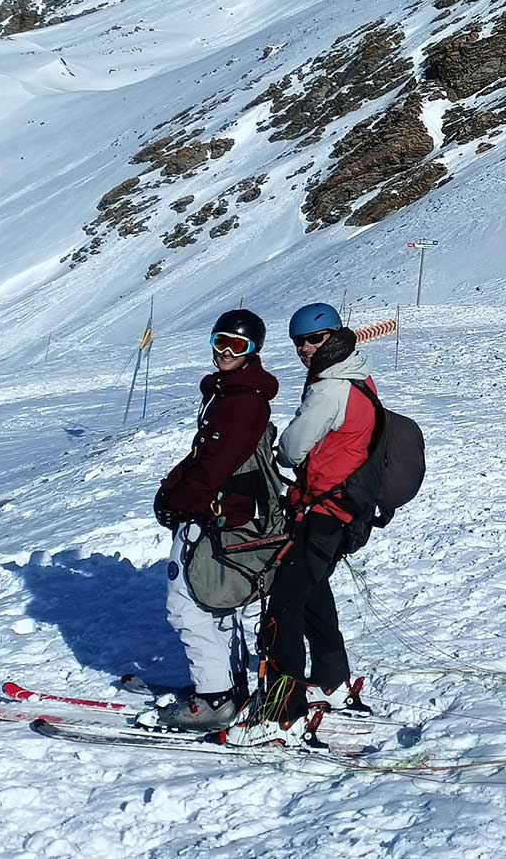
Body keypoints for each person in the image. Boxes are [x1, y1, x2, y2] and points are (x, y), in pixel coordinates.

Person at [248, 302, 377, 734]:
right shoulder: (358, 376)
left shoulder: (330, 388)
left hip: (323, 510)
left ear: (335, 336)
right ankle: (331, 680)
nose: (305, 348)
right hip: (343, 511)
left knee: (284, 603)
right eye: (299, 342)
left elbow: (293, 447)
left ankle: (282, 714)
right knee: (312, 592)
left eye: (314, 339)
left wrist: (282, 453)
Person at [151, 308, 279, 730]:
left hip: (219, 517)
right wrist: (173, 486)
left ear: (253, 350)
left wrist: (181, 502)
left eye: (236, 345)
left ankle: (215, 697)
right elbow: (203, 456)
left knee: (187, 603)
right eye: (218, 342)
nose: (225, 352)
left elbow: (216, 467)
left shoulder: (241, 401)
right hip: (217, 513)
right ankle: (227, 684)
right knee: (217, 601)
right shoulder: (228, 393)